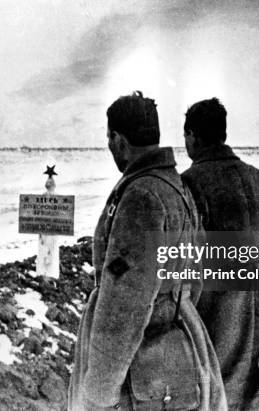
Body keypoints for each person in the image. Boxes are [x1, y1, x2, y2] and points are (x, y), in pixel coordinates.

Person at [68, 92, 226, 410]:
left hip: (141, 363)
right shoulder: (176, 187)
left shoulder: (140, 196)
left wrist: (100, 391)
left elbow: (123, 302)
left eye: (109, 138)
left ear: (119, 140)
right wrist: (174, 309)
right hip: (182, 347)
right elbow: (194, 275)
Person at [181, 98, 259, 410]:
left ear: (192, 136)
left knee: (216, 396)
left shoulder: (189, 183)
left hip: (216, 313)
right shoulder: (258, 178)